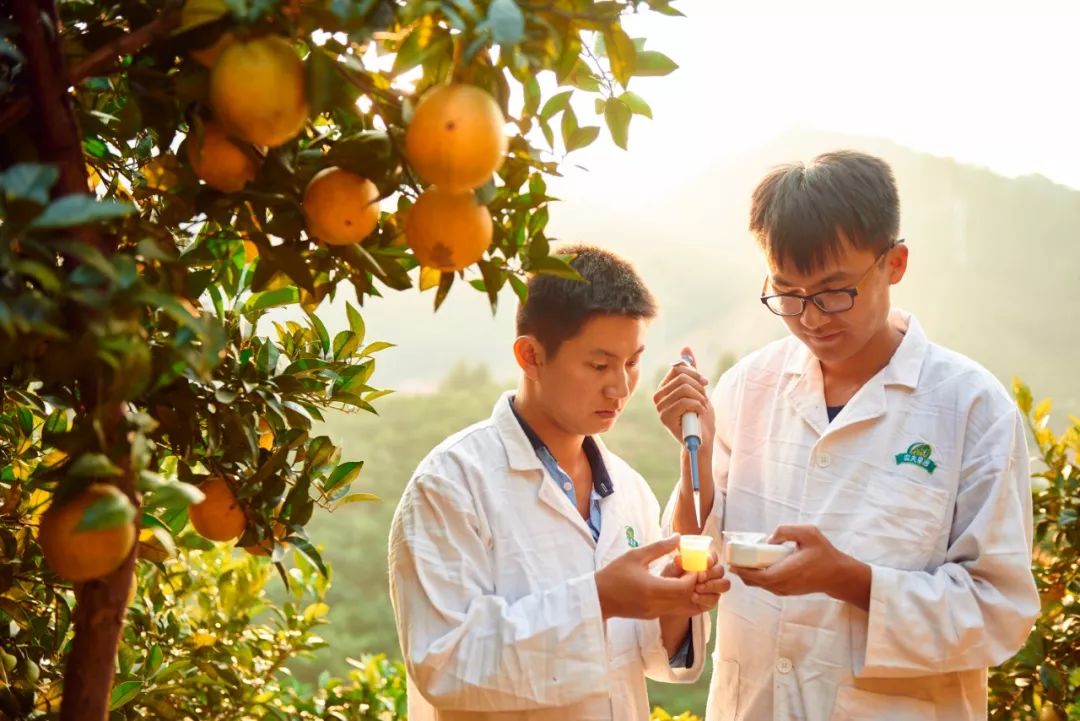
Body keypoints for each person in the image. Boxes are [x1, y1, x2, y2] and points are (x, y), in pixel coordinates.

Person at [653, 150, 1040, 721]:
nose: (811, 318)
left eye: (835, 291)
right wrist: (699, 461)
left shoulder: (970, 407)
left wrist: (852, 581)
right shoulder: (747, 387)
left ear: (896, 263)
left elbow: (1000, 609)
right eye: (787, 294)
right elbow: (687, 563)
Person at [389, 244, 729, 721]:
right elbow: (445, 665)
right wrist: (599, 598)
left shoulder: (626, 489)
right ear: (531, 355)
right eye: (598, 365)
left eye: (632, 362)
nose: (620, 387)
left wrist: (676, 599)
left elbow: (652, 656)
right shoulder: (450, 484)